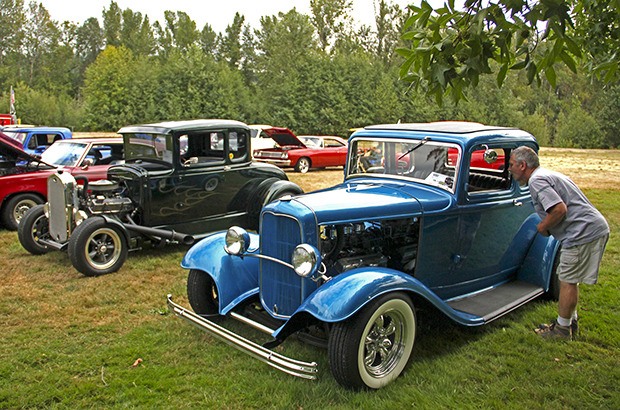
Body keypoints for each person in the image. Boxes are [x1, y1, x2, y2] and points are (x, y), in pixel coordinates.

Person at [509, 146, 609, 340]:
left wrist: (542, 227)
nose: (509, 169)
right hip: (587, 229)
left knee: (567, 280)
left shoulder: (537, 180)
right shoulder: (545, 175)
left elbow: (559, 210)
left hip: (583, 232)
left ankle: (562, 331)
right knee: (568, 279)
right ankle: (569, 323)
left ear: (523, 165)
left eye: (512, 165)